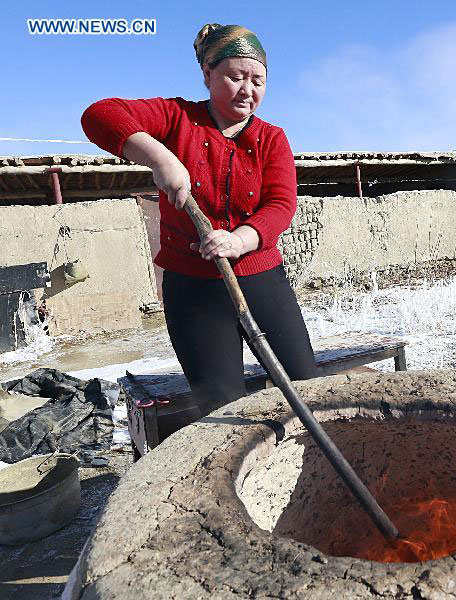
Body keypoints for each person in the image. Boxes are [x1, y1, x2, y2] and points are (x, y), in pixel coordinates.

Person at [81, 23, 318, 423]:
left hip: (260, 279)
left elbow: (281, 204)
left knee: (302, 381)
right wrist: (161, 157)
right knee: (222, 402)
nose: (248, 89)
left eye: (258, 80)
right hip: (192, 288)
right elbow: (99, 114)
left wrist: (241, 240)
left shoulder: (271, 138)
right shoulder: (176, 118)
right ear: (207, 74)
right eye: (236, 76)